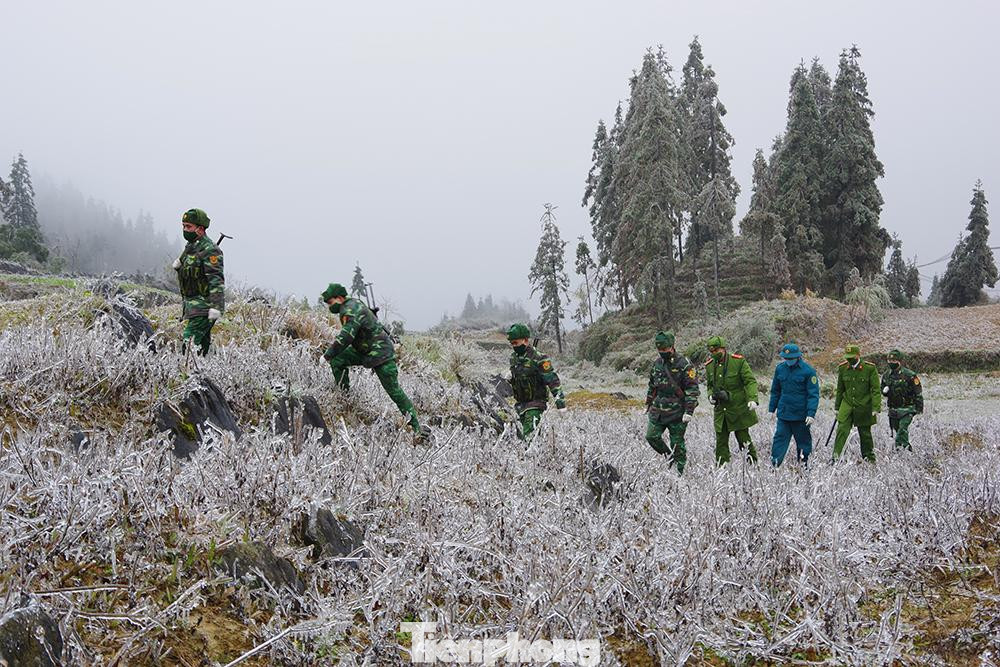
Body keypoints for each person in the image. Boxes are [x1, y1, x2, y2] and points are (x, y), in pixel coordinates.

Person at [320, 283, 422, 434]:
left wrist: (328, 355)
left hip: (381, 354)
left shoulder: (349, 309)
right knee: (339, 359)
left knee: (394, 392)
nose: (330, 306)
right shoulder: (354, 303)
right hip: (365, 351)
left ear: (339, 298)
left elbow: (346, 336)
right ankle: (344, 398)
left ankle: (417, 428)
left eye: (331, 302)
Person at [645, 331, 699, 474]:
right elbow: (652, 385)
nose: (662, 352)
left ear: (672, 346)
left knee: (677, 445)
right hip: (658, 410)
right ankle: (669, 458)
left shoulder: (684, 364)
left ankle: (679, 473)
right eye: (659, 349)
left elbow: (692, 389)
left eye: (664, 349)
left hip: (677, 412)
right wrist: (648, 402)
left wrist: (689, 411)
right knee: (651, 436)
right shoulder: (657, 364)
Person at [173, 208, 224, 355]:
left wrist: (216, 306)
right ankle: (205, 368)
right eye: (183, 226)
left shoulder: (210, 250)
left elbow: (216, 280)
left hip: (204, 307)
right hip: (192, 306)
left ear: (200, 229)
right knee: (202, 347)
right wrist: (180, 265)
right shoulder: (191, 247)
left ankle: (185, 369)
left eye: (188, 226)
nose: (185, 230)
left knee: (188, 343)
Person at [704, 335, 759, 465]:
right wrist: (710, 396)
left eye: (716, 350)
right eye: (711, 351)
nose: (714, 353)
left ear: (723, 349)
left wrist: (752, 399)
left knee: (743, 439)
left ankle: (752, 465)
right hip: (721, 411)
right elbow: (710, 385)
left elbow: (750, 381)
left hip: (738, 409)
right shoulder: (710, 365)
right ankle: (722, 468)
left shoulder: (738, 362)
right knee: (721, 442)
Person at [506, 323, 566, 441]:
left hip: (536, 404)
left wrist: (561, 404)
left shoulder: (539, 358)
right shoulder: (514, 358)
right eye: (512, 343)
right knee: (529, 438)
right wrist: (511, 377)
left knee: (529, 438)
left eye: (516, 343)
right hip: (520, 406)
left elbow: (553, 380)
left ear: (525, 340)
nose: (514, 346)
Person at [768, 342, 819, 466]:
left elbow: (813, 394)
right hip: (784, 414)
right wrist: (772, 409)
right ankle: (774, 465)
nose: (788, 361)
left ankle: (804, 467)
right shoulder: (780, 369)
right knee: (779, 440)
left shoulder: (808, 371)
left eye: (791, 359)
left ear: (798, 357)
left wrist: (811, 413)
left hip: (801, 416)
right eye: (786, 358)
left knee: (803, 443)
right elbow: (775, 391)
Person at [833, 344, 881, 462]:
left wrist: (876, 407)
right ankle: (836, 458)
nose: (849, 360)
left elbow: (875, 389)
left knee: (865, 434)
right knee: (842, 429)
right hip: (847, 404)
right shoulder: (843, 368)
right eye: (847, 357)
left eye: (852, 357)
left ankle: (869, 459)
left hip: (864, 405)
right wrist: (837, 407)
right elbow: (840, 389)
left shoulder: (869, 368)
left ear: (858, 355)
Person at [881, 349, 924, 450]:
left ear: (899, 361)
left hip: (907, 408)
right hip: (893, 409)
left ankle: (900, 451)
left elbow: (918, 392)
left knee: (902, 430)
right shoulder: (886, 375)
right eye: (889, 361)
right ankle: (907, 450)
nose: (891, 363)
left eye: (894, 360)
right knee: (898, 432)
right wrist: (885, 392)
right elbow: (882, 389)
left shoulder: (909, 375)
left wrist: (919, 409)